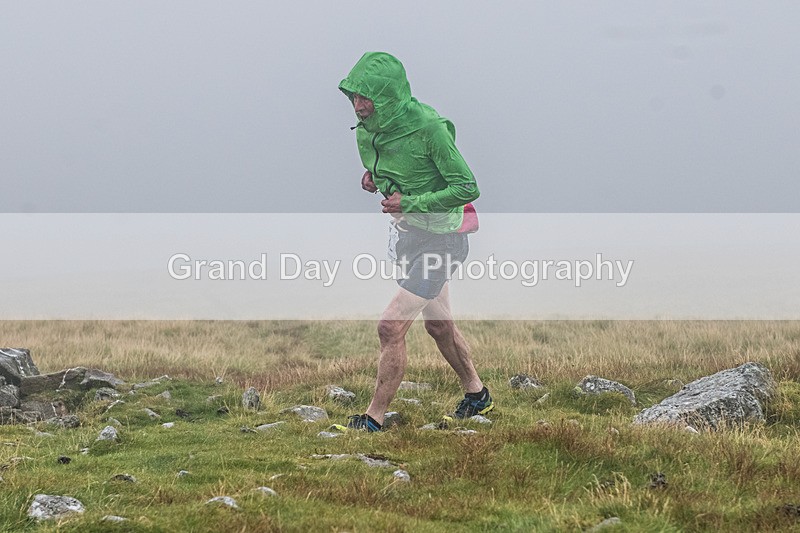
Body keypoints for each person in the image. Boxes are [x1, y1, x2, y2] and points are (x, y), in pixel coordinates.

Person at [336, 52, 493, 432]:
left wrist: (411, 202)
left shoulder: (430, 128)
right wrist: (376, 175)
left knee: (391, 327)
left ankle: (373, 418)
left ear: (389, 96)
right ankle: (477, 395)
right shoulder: (376, 126)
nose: (358, 106)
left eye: (366, 98)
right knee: (439, 327)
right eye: (354, 97)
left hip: (444, 240)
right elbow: (402, 164)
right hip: (410, 238)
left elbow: (467, 186)